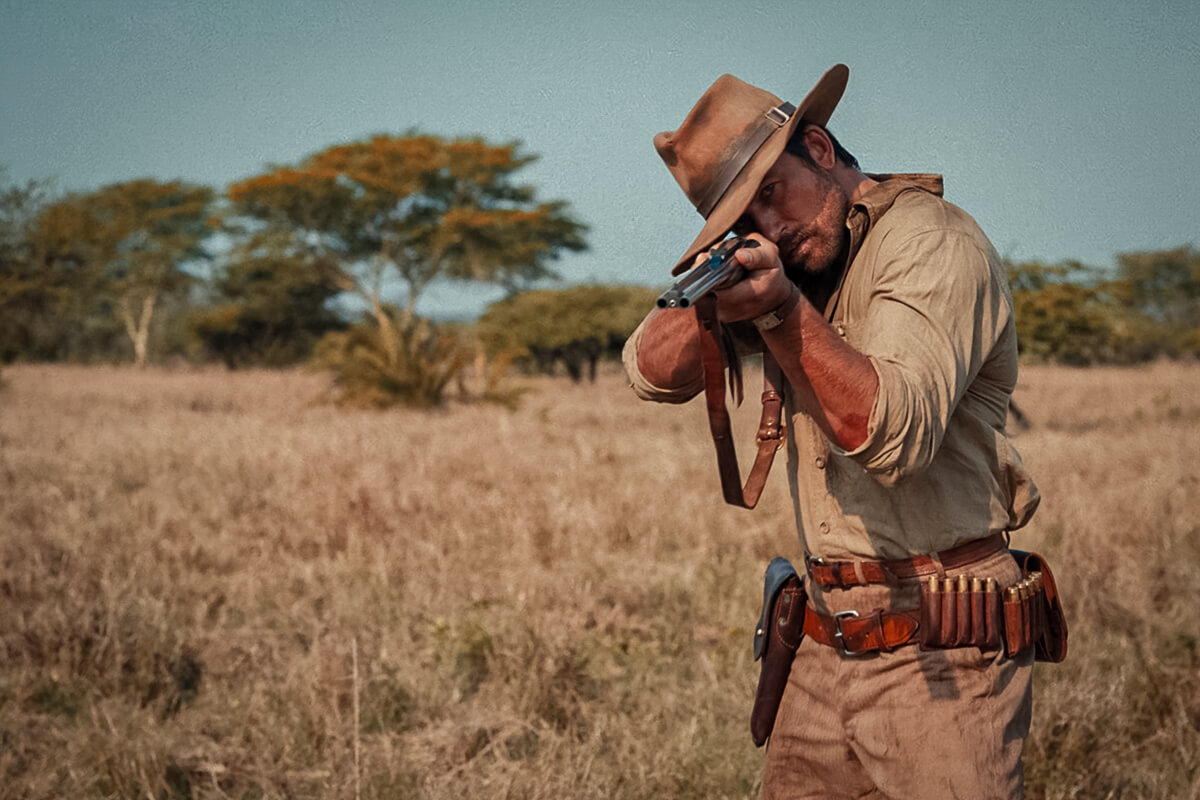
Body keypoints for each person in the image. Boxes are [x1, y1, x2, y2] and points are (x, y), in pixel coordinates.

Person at [623, 64, 1045, 799]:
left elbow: (892, 438)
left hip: (942, 642)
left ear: (819, 148)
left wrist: (783, 311)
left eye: (771, 195)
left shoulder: (932, 240)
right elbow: (649, 372)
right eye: (743, 221)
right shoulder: (792, 260)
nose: (773, 229)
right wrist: (719, 286)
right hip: (821, 639)